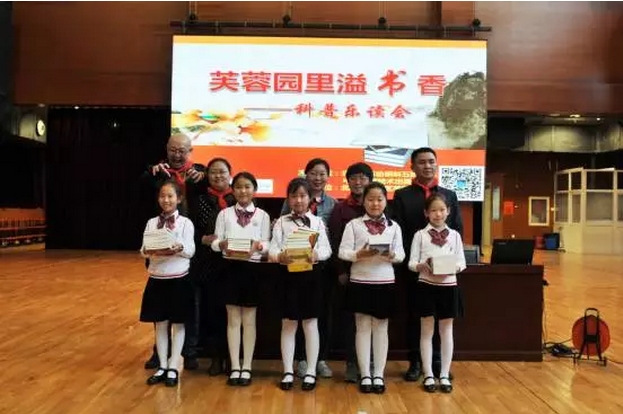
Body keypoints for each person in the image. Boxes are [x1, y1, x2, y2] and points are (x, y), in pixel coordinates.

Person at [391, 147, 463, 382]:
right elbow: (399, 232)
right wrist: (416, 262)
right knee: (416, 318)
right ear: (412, 166)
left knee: (443, 322)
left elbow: (457, 229)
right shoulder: (402, 195)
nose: (427, 166)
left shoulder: (449, 194)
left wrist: (449, 263)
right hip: (415, 269)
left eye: (431, 161)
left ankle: (439, 363)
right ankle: (416, 362)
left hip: (445, 273)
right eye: (421, 162)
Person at [141, 133, 206, 371]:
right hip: (159, 245)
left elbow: (213, 186)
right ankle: (160, 354)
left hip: (191, 247)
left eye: (182, 151)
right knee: (161, 305)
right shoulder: (158, 173)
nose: (177, 155)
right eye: (173, 150)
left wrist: (204, 177)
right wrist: (151, 173)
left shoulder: (198, 174)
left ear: (190, 152)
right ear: (166, 149)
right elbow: (141, 187)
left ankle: (189, 351)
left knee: (190, 303)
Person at [338, 182, 405, 394]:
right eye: (370, 199)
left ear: (385, 201)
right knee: (362, 328)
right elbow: (342, 252)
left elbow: (402, 255)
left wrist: (392, 255)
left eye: (379, 199)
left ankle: (379, 374)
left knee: (381, 329)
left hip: (384, 282)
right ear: (364, 202)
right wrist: (359, 254)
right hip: (360, 282)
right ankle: (365, 374)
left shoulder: (394, 227)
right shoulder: (354, 225)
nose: (375, 203)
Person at [269, 177, 332, 392]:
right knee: (288, 324)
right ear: (288, 198)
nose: (298, 200)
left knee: (311, 324)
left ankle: (311, 371)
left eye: (303, 196)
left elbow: (327, 250)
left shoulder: (317, 222)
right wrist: (280, 256)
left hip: (311, 277)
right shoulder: (281, 222)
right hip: (287, 277)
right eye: (294, 196)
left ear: (310, 198)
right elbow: (272, 249)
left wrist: (316, 254)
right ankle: (288, 370)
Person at [211, 172, 271, 386]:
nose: (243, 191)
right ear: (232, 190)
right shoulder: (224, 214)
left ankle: (247, 367)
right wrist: (221, 244)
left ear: (254, 190)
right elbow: (215, 243)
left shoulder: (262, 216)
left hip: (252, 270)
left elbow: (268, 245)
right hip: (230, 268)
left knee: (250, 320)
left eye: (247, 187)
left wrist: (259, 246)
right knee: (233, 320)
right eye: (238, 187)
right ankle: (235, 366)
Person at [280, 158, 337, 378]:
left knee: (316, 318)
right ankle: (298, 361)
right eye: (313, 173)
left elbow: (328, 243)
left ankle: (318, 361)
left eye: (322, 173)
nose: (317, 177)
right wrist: (281, 255)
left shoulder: (331, 205)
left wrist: (318, 255)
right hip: (290, 271)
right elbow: (280, 237)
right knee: (292, 319)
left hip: (318, 271)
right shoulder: (287, 212)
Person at [407, 193, 466, 393]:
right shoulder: (420, 235)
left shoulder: (455, 235)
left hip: (448, 287)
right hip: (426, 286)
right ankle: (428, 374)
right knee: (426, 331)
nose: (438, 214)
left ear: (448, 211)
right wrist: (421, 266)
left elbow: (462, 262)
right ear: (426, 213)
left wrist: (453, 268)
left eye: (441, 210)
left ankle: (444, 374)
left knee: (446, 331)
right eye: (433, 210)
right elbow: (411, 262)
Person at [139, 179, 196, 387]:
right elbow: (143, 250)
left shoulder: (186, 223)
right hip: (156, 279)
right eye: (162, 196)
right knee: (160, 325)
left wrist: (179, 248)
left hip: (179, 279)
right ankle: (162, 365)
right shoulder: (151, 222)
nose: (166, 200)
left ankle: (173, 365)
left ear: (179, 199)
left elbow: (191, 251)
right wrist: (149, 251)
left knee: (179, 324)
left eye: (170, 196)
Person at [328, 162, 373, 383]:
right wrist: (340, 271)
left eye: (363, 178)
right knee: (351, 322)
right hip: (349, 274)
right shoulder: (340, 209)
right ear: (347, 181)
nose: (358, 182)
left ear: (370, 181)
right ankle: (353, 363)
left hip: (375, 273)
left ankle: (371, 364)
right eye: (353, 178)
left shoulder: (378, 206)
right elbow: (335, 242)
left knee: (373, 320)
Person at [190, 157, 236, 376]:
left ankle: (233, 359)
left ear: (230, 175)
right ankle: (215, 358)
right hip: (208, 264)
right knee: (213, 312)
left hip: (234, 263)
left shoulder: (238, 198)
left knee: (234, 313)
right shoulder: (199, 200)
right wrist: (202, 239)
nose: (218, 176)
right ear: (207, 176)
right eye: (213, 172)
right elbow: (190, 228)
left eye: (222, 172)